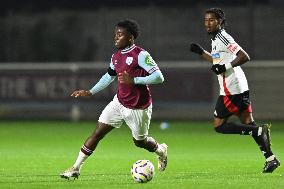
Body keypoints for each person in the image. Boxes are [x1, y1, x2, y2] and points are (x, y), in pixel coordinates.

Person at [60, 19, 168, 179]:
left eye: (120, 35)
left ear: (130, 37)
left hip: (138, 107)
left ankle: (161, 150)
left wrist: (135, 80)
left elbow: (159, 77)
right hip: (119, 102)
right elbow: (109, 76)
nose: (116, 38)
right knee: (97, 132)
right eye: (115, 34)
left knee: (140, 142)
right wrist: (90, 91)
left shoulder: (141, 54)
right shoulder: (116, 56)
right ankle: (75, 168)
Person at [190, 8, 280, 173]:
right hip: (240, 87)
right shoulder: (216, 38)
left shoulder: (224, 37)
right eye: (206, 20)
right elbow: (218, 60)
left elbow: (244, 56)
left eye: (212, 20)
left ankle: (259, 130)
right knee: (248, 122)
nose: (207, 23)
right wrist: (202, 53)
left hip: (231, 89)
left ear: (221, 22)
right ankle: (271, 159)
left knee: (219, 126)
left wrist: (225, 66)